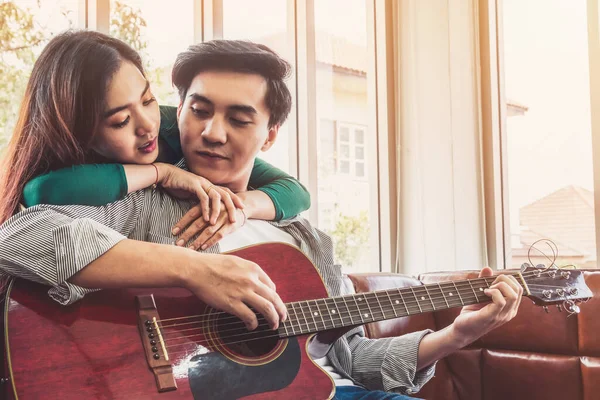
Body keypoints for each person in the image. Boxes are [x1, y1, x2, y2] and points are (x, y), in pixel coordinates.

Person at [0, 37, 523, 399]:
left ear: (270, 134)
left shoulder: (306, 239)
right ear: (177, 111)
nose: (213, 133)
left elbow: (351, 360)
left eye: (239, 118)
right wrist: (193, 268)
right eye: (199, 110)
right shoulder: (142, 199)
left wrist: (455, 335)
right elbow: (20, 236)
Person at [0, 30, 311, 252]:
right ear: (82, 138)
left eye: (147, 99)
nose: (147, 125)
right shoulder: (106, 200)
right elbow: (40, 192)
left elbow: (295, 192)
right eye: (121, 121)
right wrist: (162, 172)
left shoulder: (170, 125)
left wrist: (238, 207)